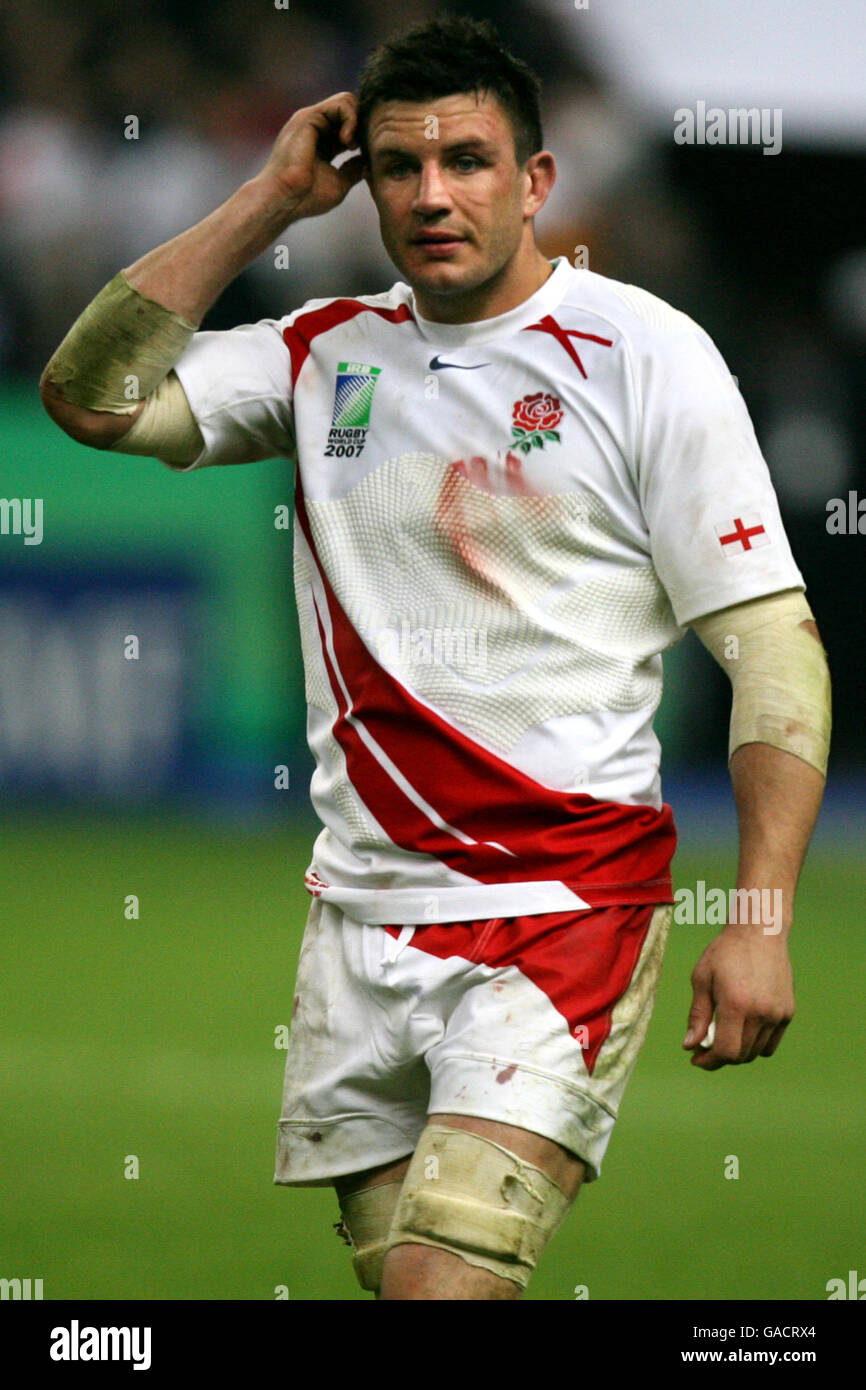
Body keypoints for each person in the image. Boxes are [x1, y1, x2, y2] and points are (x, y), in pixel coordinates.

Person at [39, 16, 831, 1301]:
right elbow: (90, 399)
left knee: (437, 1286)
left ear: (535, 183)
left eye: (468, 161)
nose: (430, 194)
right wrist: (267, 199)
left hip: (561, 904)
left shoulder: (646, 357)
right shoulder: (317, 353)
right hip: (357, 917)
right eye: (399, 167)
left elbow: (773, 654)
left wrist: (755, 917)